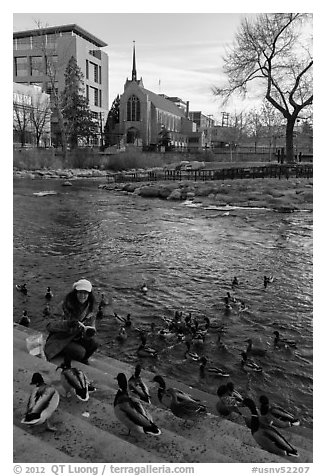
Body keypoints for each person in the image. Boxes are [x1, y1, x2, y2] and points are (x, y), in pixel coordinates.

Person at [44, 278, 98, 365]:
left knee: (94, 344)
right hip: (62, 337)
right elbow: (49, 325)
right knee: (80, 352)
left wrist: (90, 333)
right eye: (80, 292)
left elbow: (92, 327)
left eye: (85, 293)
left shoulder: (91, 310)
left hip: (78, 337)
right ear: (75, 293)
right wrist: (68, 324)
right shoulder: (64, 305)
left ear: (89, 295)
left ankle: (82, 360)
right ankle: (62, 351)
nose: (82, 295)